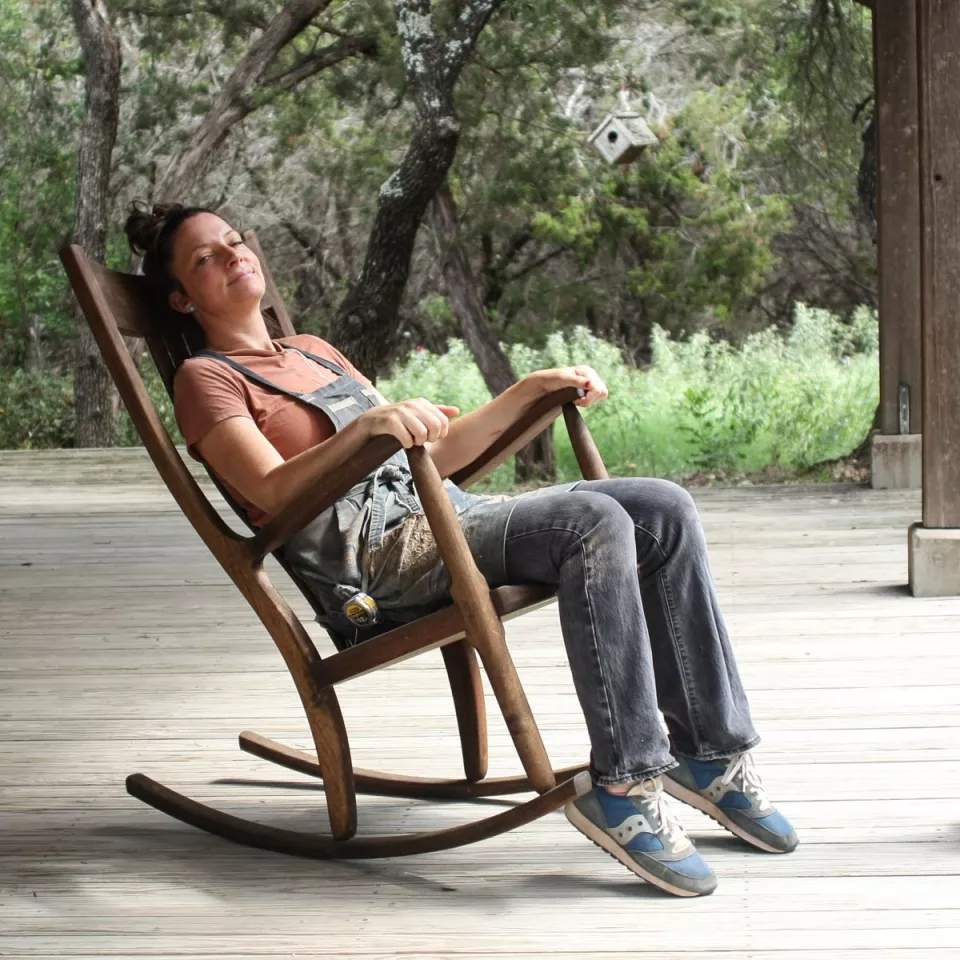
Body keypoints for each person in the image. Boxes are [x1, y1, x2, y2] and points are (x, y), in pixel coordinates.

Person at [125, 201, 798, 898]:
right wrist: (366, 431)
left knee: (664, 507)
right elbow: (270, 486)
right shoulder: (205, 380)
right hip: (377, 566)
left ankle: (711, 754)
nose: (234, 256)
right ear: (181, 297)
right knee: (593, 523)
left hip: (446, 516)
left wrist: (533, 388)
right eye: (206, 258)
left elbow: (437, 453)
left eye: (235, 242)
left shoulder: (314, 351)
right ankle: (626, 780)